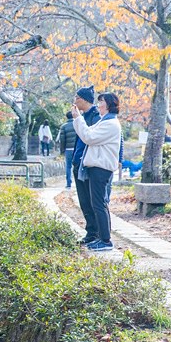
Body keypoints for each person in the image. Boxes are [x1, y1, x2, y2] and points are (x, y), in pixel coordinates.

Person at [72, 92, 122, 252]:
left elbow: (88, 136)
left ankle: (106, 240)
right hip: (97, 168)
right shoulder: (104, 122)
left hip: (101, 169)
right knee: (97, 203)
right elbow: (87, 132)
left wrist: (77, 118)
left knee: (99, 204)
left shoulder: (110, 124)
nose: (98, 105)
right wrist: (79, 119)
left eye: (101, 102)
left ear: (108, 105)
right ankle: (101, 238)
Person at [72, 86, 101, 244]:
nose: (74, 101)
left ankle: (96, 233)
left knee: (91, 201)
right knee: (83, 200)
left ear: (83, 99)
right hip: (79, 162)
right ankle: (91, 232)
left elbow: (91, 138)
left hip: (89, 164)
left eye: (76, 98)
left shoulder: (96, 117)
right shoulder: (82, 115)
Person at [57, 112, 77, 189]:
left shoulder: (64, 126)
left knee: (68, 166)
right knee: (77, 166)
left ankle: (69, 184)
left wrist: (62, 150)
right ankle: (79, 183)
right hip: (76, 149)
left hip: (68, 149)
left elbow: (62, 140)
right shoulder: (77, 124)